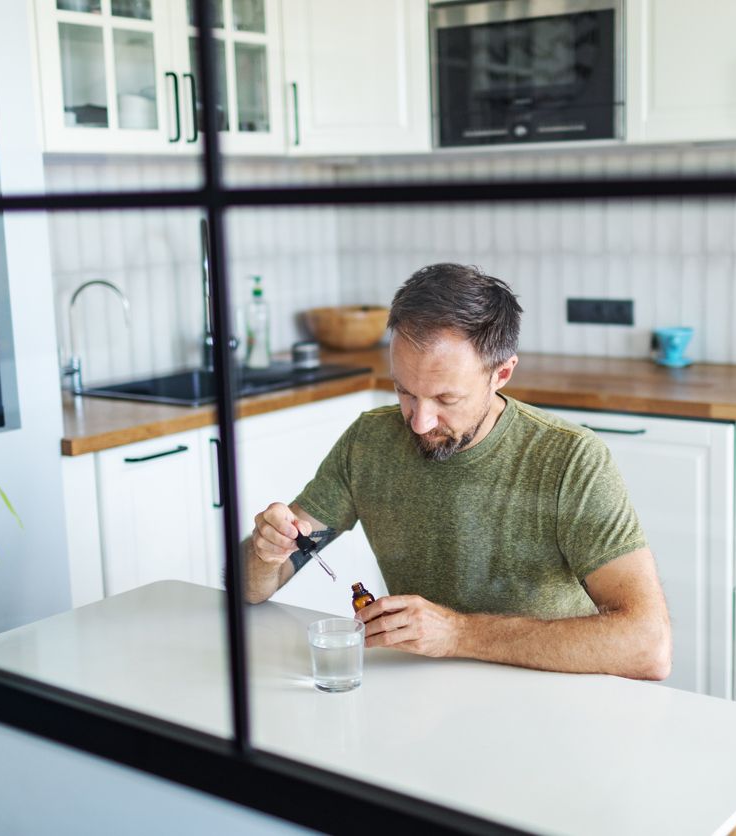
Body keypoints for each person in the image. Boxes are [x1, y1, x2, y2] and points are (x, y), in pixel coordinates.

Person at [243, 263, 672, 681]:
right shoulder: (368, 442)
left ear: (501, 373)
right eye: (404, 391)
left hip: (547, 697)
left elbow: (649, 647)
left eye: (446, 399)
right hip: (422, 692)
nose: (419, 422)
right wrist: (267, 552)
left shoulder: (570, 459)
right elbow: (252, 585)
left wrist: (457, 634)